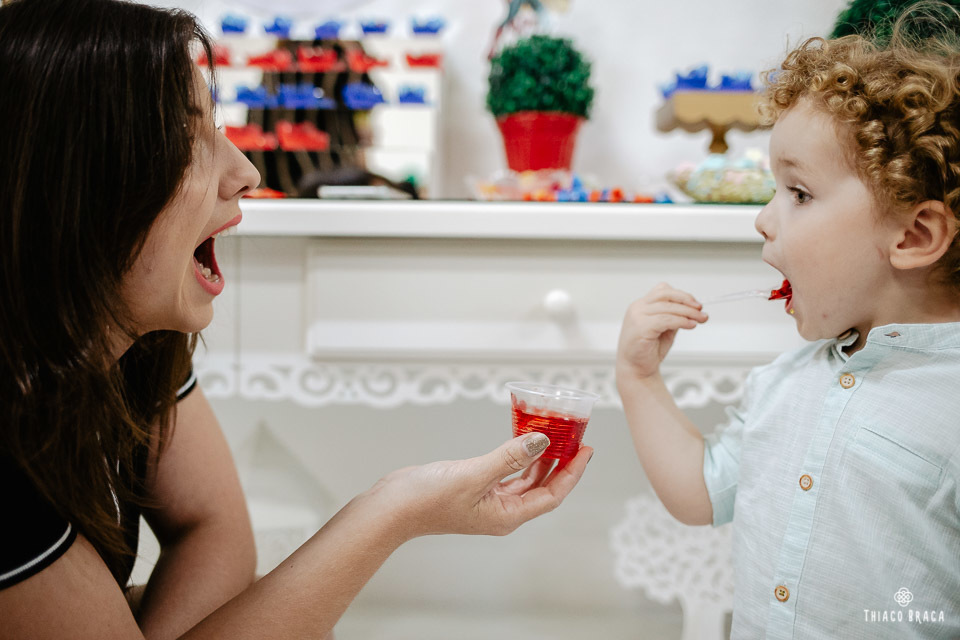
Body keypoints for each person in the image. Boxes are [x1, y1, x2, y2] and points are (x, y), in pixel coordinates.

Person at [0, 0, 592, 637]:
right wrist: (394, 509)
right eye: (186, 139)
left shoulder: (134, 343)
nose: (246, 173)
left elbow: (212, 529)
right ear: (74, 189)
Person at [616, 7, 960, 639]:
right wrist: (639, 379)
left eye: (798, 193)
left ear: (914, 234)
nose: (764, 220)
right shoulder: (784, 382)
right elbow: (700, 494)